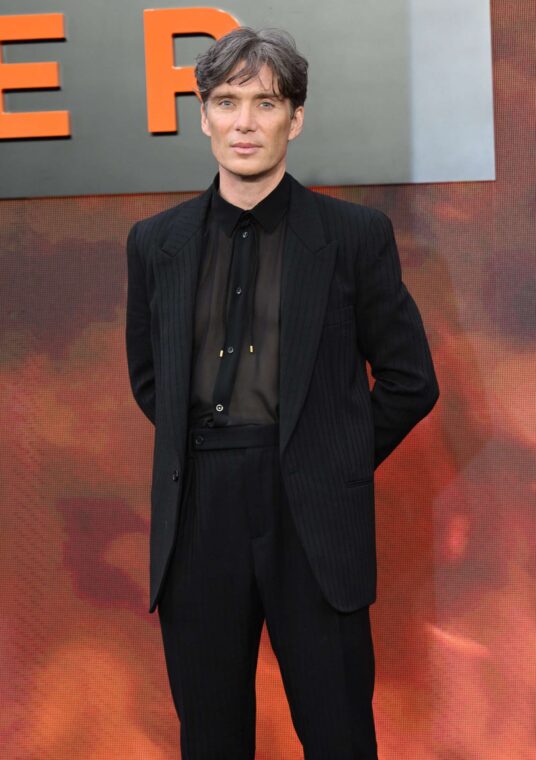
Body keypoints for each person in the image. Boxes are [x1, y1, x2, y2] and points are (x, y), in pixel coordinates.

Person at [125, 26, 439, 760]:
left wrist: (331, 457)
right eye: (226, 101)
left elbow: (409, 380)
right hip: (198, 513)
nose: (244, 122)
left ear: (294, 118)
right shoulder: (154, 243)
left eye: (264, 103)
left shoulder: (354, 235)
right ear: (201, 114)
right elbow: (151, 379)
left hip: (312, 517)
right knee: (210, 739)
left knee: (338, 736)